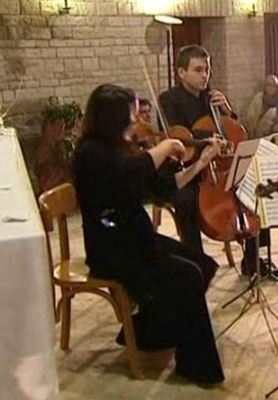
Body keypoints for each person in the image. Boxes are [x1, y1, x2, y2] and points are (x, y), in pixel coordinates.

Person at [72, 84, 225, 384]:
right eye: (133, 112)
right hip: (111, 249)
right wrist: (165, 147)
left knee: (204, 265)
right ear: (114, 118)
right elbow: (130, 170)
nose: (138, 118)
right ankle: (196, 366)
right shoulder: (92, 153)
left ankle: (149, 333)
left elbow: (165, 189)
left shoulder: (123, 147)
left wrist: (202, 162)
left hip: (136, 239)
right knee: (188, 275)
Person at [159, 45, 234, 257]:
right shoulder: (168, 100)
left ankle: (253, 259)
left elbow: (232, 133)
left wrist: (228, 110)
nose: (205, 76)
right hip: (188, 170)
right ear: (182, 73)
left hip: (216, 168)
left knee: (251, 191)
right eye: (198, 70)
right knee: (185, 200)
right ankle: (195, 259)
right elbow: (178, 137)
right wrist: (207, 139)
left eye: (207, 70)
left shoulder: (211, 98)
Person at [245, 74, 278, 138]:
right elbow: (250, 118)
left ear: (277, 87)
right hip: (261, 132)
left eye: (273, 85)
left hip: (277, 130)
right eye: (268, 85)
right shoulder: (258, 98)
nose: (270, 88)